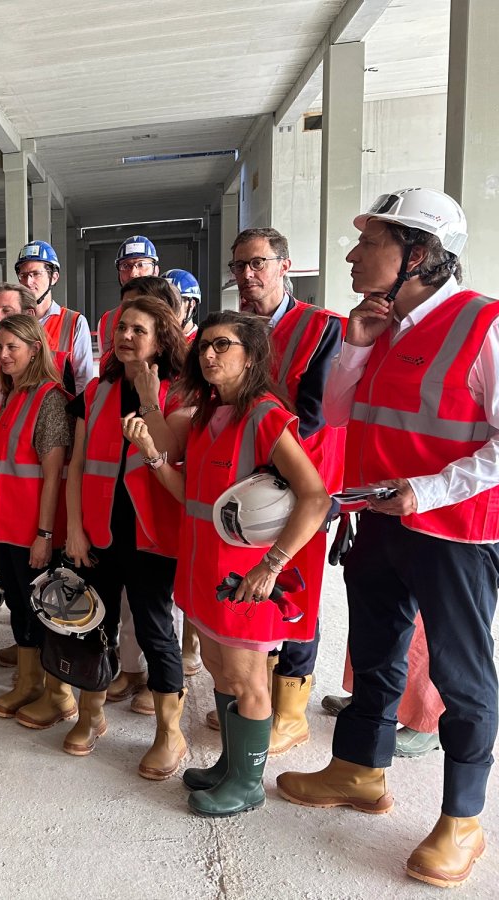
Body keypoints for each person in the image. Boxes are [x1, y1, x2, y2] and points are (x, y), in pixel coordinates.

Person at [277, 188, 499, 888]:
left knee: (461, 678)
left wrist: (426, 490)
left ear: (420, 255)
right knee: (375, 654)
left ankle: (462, 820)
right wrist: (355, 345)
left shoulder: (482, 325)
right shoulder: (384, 326)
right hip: (378, 519)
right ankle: (359, 769)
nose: (351, 254)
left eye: (369, 243)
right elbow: (340, 411)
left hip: (452, 532)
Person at [125, 310, 329, 818]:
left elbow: (316, 498)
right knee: (218, 670)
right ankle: (229, 765)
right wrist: (153, 455)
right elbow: (189, 495)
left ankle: (247, 782)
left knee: (246, 679)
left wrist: (273, 565)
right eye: (205, 347)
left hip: (242, 578)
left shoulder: (264, 415)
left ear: (251, 356)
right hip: (203, 572)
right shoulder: (208, 413)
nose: (209, 355)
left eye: (223, 346)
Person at [63, 296, 190, 773]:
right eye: (121, 328)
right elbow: (77, 466)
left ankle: (169, 732)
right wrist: (74, 529)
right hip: (99, 530)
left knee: (157, 631)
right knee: (94, 626)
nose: (125, 336)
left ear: (162, 339)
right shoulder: (96, 391)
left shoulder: (180, 392)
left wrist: (152, 401)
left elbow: (174, 451)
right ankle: (92, 714)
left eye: (139, 329)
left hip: (151, 536)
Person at [231, 226, 344, 756]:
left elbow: (320, 414)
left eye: (257, 264)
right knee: (257, 588)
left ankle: (293, 712)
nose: (246, 276)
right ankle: (262, 698)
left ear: (285, 266)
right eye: (238, 267)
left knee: (299, 593)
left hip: (306, 485)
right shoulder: (238, 330)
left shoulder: (324, 329)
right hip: (250, 482)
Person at [0, 314, 71, 724]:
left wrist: (45, 534)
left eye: (11, 347)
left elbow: (52, 475)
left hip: (31, 531)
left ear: (35, 349)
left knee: (44, 611)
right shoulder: (9, 393)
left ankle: (58, 690)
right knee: (19, 607)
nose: (2, 355)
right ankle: (29, 681)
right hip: (3, 526)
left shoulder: (49, 398)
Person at [15, 241, 94, 394]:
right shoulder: (14, 323)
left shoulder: (74, 322)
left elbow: (83, 382)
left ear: (54, 277)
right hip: (22, 411)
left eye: (36, 274)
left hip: (61, 413)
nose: (28, 282)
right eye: (23, 275)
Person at [96, 235, 161, 355]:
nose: (133, 273)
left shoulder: (170, 316)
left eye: (141, 264)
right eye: (125, 266)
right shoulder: (107, 321)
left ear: (156, 270)